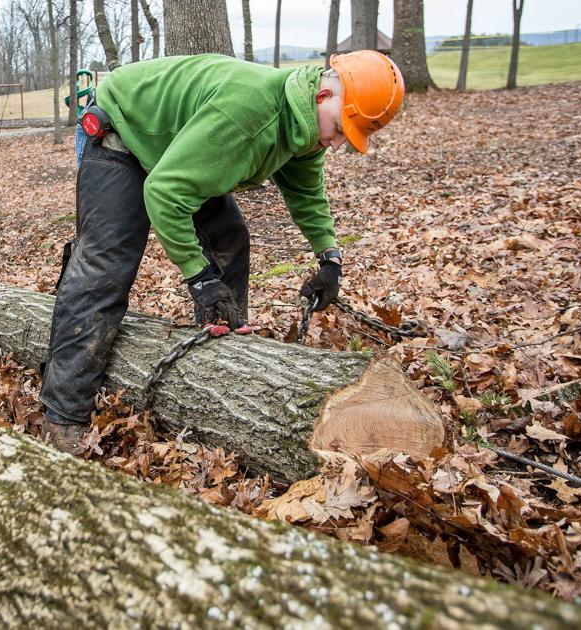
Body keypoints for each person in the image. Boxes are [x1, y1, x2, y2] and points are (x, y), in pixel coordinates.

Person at [40, 51, 405, 453]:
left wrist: (329, 257)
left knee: (230, 238)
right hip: (122, 131)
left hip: (176, 149)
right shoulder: (249, 113)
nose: (336, 143)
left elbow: (306, 193)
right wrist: (200, 278)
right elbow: (164, 193)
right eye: (339, 129)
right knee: (105, 267)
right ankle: (63, 416)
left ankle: (221, 345)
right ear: (324, 95)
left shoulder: (304, 130)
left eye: (346, 137)